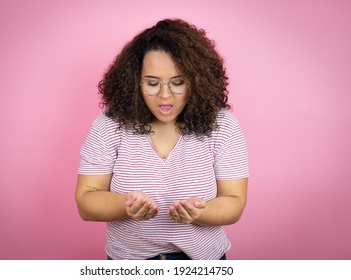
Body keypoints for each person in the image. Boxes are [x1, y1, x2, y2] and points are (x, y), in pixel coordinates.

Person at [75, 18, 249, 260]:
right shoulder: (110, 124)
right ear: (135, 81)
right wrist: (124, 205)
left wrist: (201, 212)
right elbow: (86, 201)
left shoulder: (222, 125)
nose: (165, 96)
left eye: (178, 83)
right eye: (152, 83)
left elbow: (234, 201)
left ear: (197, 81)